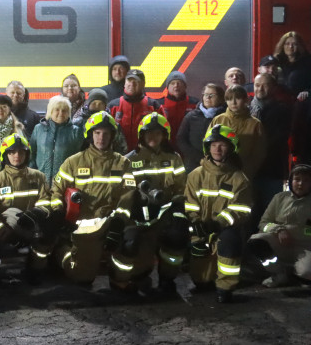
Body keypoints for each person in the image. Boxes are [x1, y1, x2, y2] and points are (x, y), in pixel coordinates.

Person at [51, 112, 134, 287]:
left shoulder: (123, 163)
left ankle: (118, 277)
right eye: (97, 133)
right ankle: (63, 251)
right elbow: (56, 191)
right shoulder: (73, 162)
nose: (101, 138)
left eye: (106, 133)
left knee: (132, 242)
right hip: (84, 225)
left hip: (112, 222)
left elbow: (128, 195)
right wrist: (59, 213)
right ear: (90, 135)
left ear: (113, 136)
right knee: (82, 278)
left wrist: (119, 222)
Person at [179, 125, 253, 303]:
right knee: (201, 280)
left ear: (231, 148)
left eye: (222, 145)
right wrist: (195, 223)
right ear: (207, 148)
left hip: (225, 229)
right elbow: (189, 203)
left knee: (230, 241)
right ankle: (202, 280)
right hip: (201, 229)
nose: (217, 149)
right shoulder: (196, 175)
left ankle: (225, 288)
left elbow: (241, 210)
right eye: (213, 145)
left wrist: (218, 223)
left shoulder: (239, 179)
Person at [120, 113, 189, 294]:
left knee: (175, 240)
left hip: (166, 212)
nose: (153, 137)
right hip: (139, 214)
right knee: (136, 244)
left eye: (158, 133)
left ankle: (167, 279)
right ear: (141, 135)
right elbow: (125, 190)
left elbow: (182, 188)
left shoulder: (174, 158)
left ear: (164, 135)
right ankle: (140, 277)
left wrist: (176, 208)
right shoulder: (129, 160)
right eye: (149, 133)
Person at [0, 134, 59, 284]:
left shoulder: (38, 177)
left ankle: (35, 269)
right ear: (5, 155)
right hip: (6, 227)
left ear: (27, 154)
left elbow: (46, 201)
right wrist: (3, 231)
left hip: (33, 224)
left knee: (49, 235)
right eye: (12, 152)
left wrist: (35, 214)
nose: (17, 156)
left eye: (21, 152)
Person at [248, 164, 311, 287]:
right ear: (290, 181)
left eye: (306, 180)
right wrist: (279, 230)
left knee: (307, 274)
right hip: (280, 243)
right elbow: (264, 223)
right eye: (297, 179)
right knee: (255, 241)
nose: (300, 184)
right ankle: (278, 273)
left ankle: (297, 273)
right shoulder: (279, 198)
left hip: (306, 248)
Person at [250, 73, 292, 222]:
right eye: (257, 85)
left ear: (274, 88)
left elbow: (278, 138)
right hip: (250, 171)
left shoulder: (283, 110)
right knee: (250, 214)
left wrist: (256, 149)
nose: (260, 88)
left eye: (265, 85)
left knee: (271, 213)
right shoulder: (246, 108)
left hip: (272, 170)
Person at [211, 84, 264, 178]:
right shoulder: (218, 120)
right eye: (229, 99)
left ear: (245, 100)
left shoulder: (255, 124)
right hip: (219, 172)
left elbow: (259, 152)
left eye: (238, 98)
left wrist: (248, 171)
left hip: (244, 173)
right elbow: (208, 145)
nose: (233, 102)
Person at [30, 95, 83, 186]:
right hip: (40, 182)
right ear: (50, 111)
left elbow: (79, 159)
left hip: (65, 183)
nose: (61, 113)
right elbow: (31, 154)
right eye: (57, 110)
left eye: (64, 110)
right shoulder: (38, 129)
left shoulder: (76, 131)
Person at [107, 69, 160, 152]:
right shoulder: (113, 106)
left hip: (146, 154)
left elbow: (163, 133)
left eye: (136, 81)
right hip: (118, 155)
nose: (132, 84)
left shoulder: (153, 106)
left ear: (143, 84)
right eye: (129, 80)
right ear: (125, 83)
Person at [178, 83, 225, 172]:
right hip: (193, 165)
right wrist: (198, 158)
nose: (208, 97)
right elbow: (181, 139)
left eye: (212, 95)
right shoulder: (191, 116)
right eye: (206, 95)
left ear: (220, 98)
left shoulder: (225, 117)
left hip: (219, 165)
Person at [159, 71, 197, 152]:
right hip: (165, 149)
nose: (176, 85)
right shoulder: (158, 104)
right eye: (172, 83)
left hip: (189, 149)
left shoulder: (195, 103)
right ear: (167, 87)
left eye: (179, 83)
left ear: (185, 86)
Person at [273, 31, 311, 99]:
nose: (290, 46)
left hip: (301, 101)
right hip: (280, 101)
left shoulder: (308, 62)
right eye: (287, 44)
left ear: (300, 46)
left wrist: (307, 92)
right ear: (282, 46)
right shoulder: (276, 62)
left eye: (294, 44)